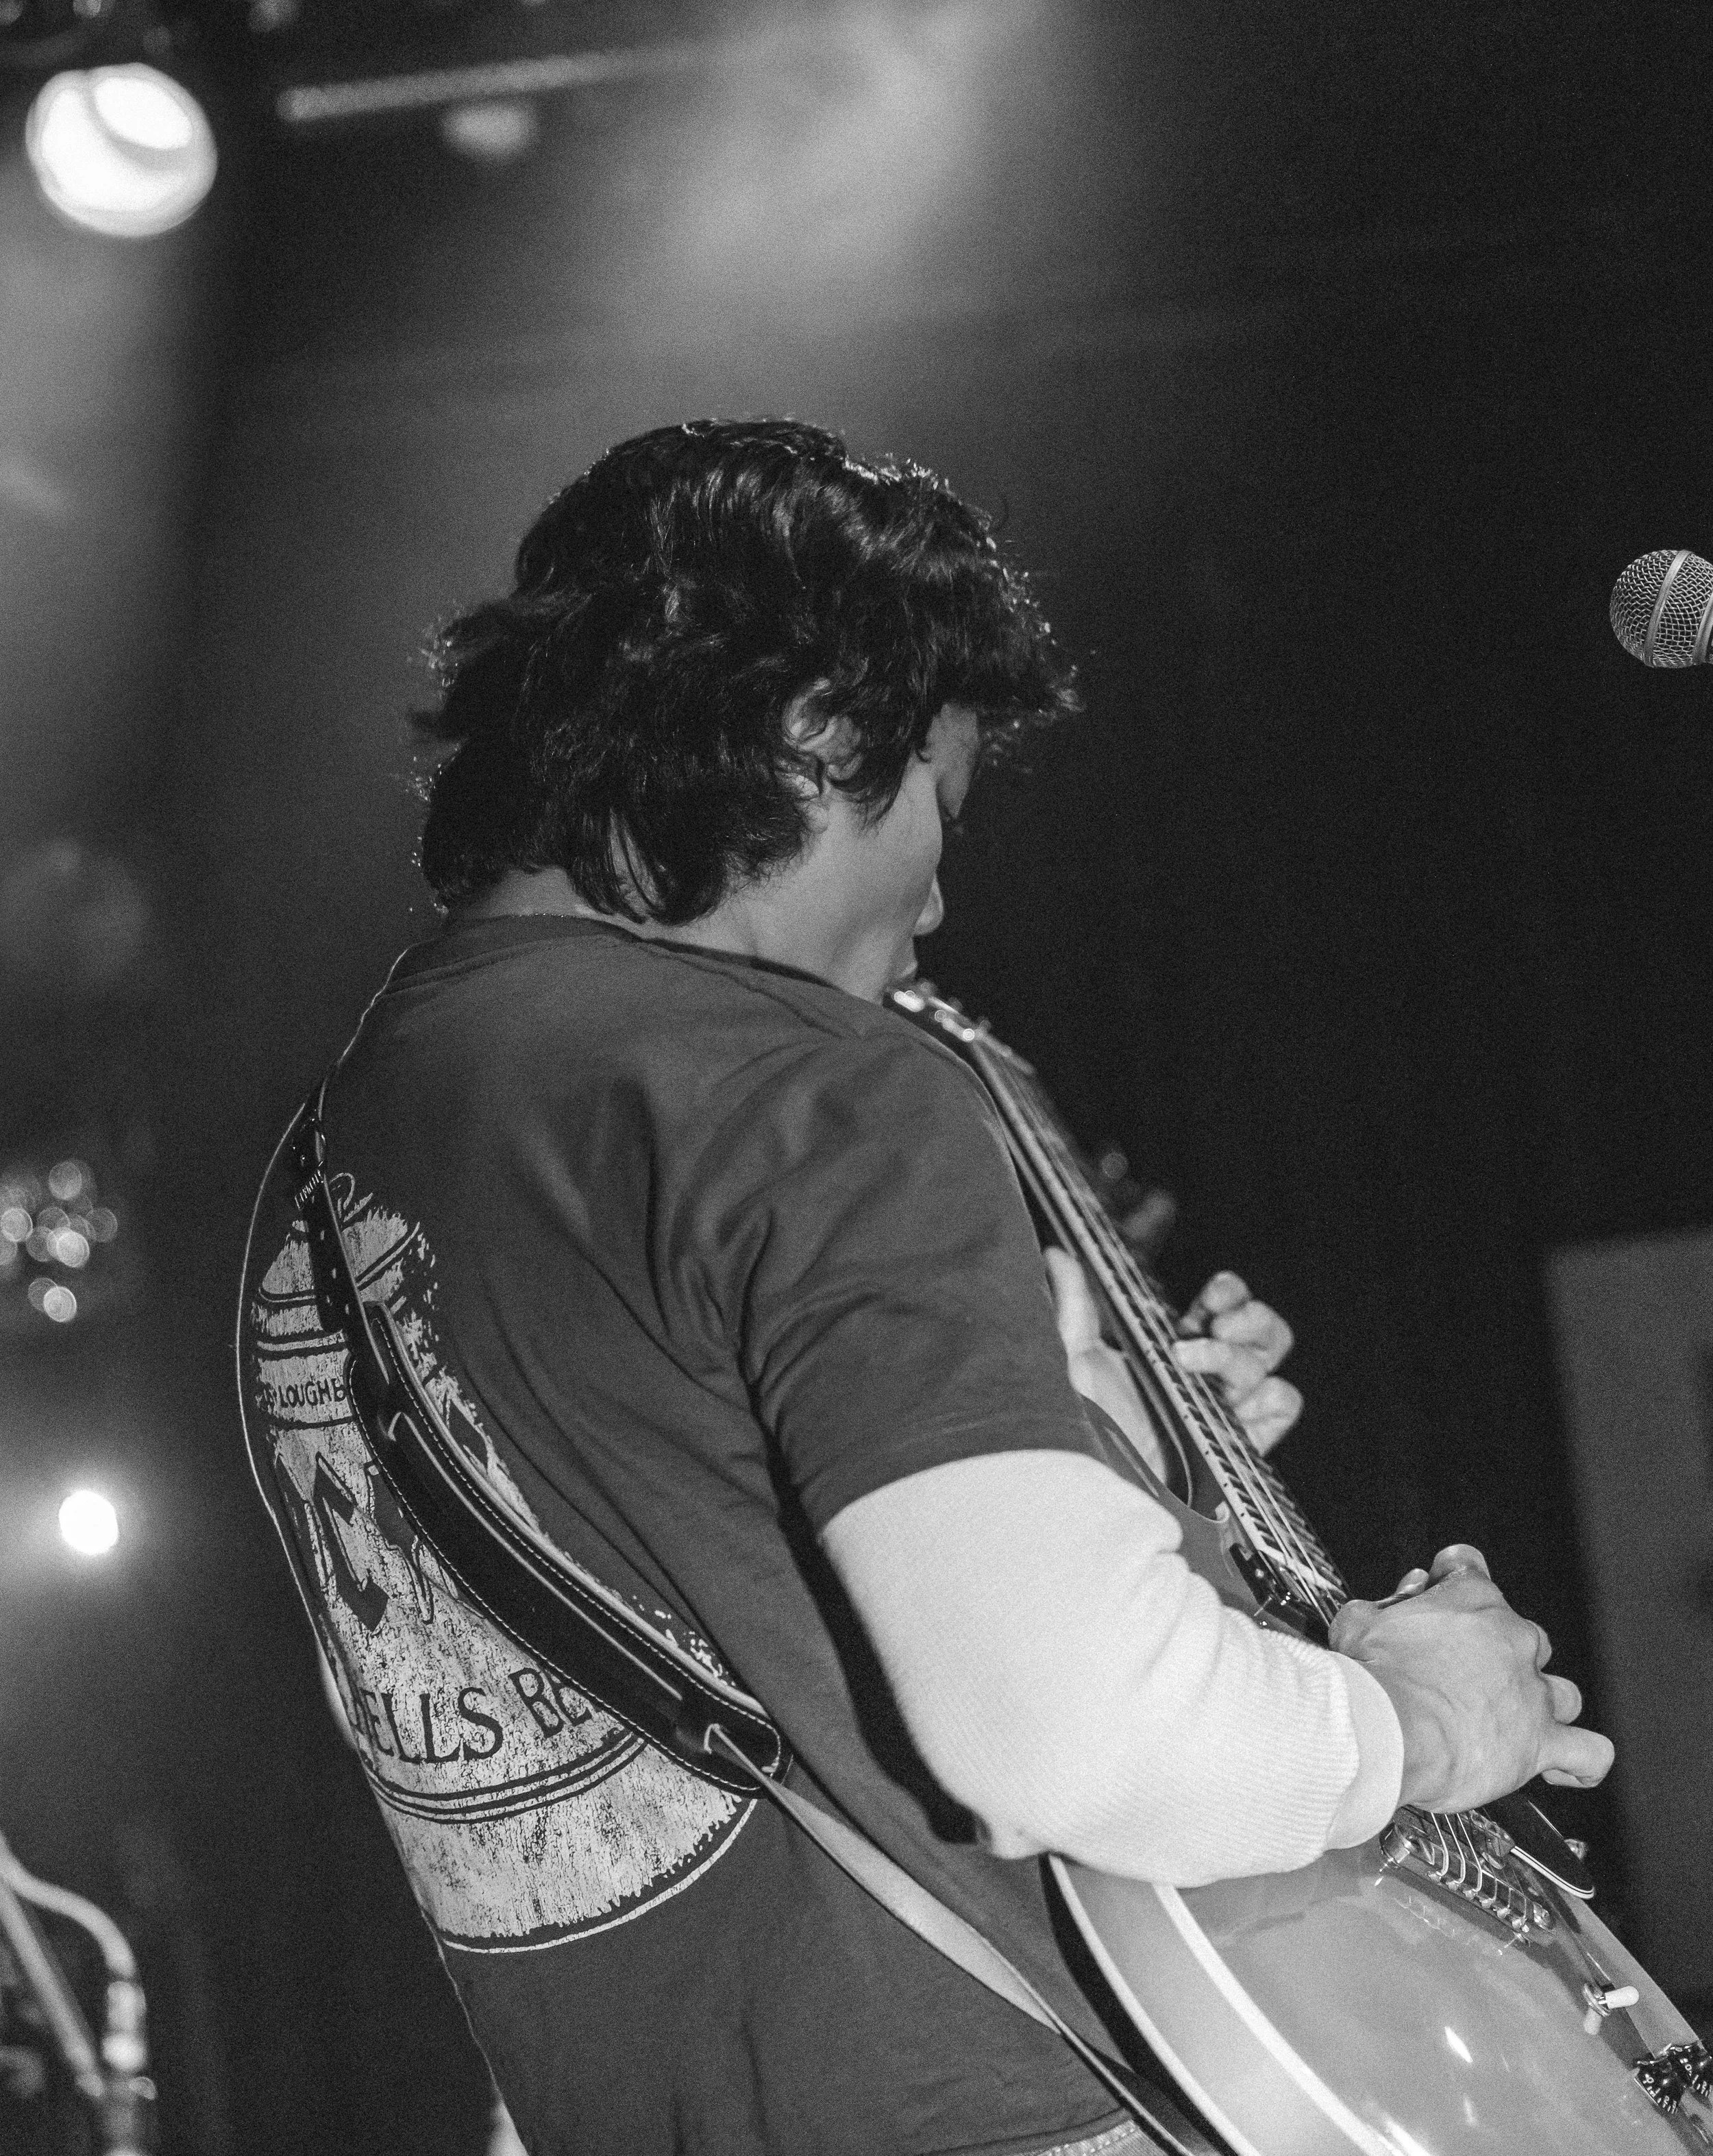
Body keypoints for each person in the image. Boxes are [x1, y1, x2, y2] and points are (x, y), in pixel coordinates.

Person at [237, 419, 1611, 2156]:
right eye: (938, 809)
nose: (941, 898)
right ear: (819, 737)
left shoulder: (338, 1154)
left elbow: (686, 1554)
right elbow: (1066, 1733)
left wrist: (1092, 1428)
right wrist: (1420, 1718)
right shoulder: (804, 1084)